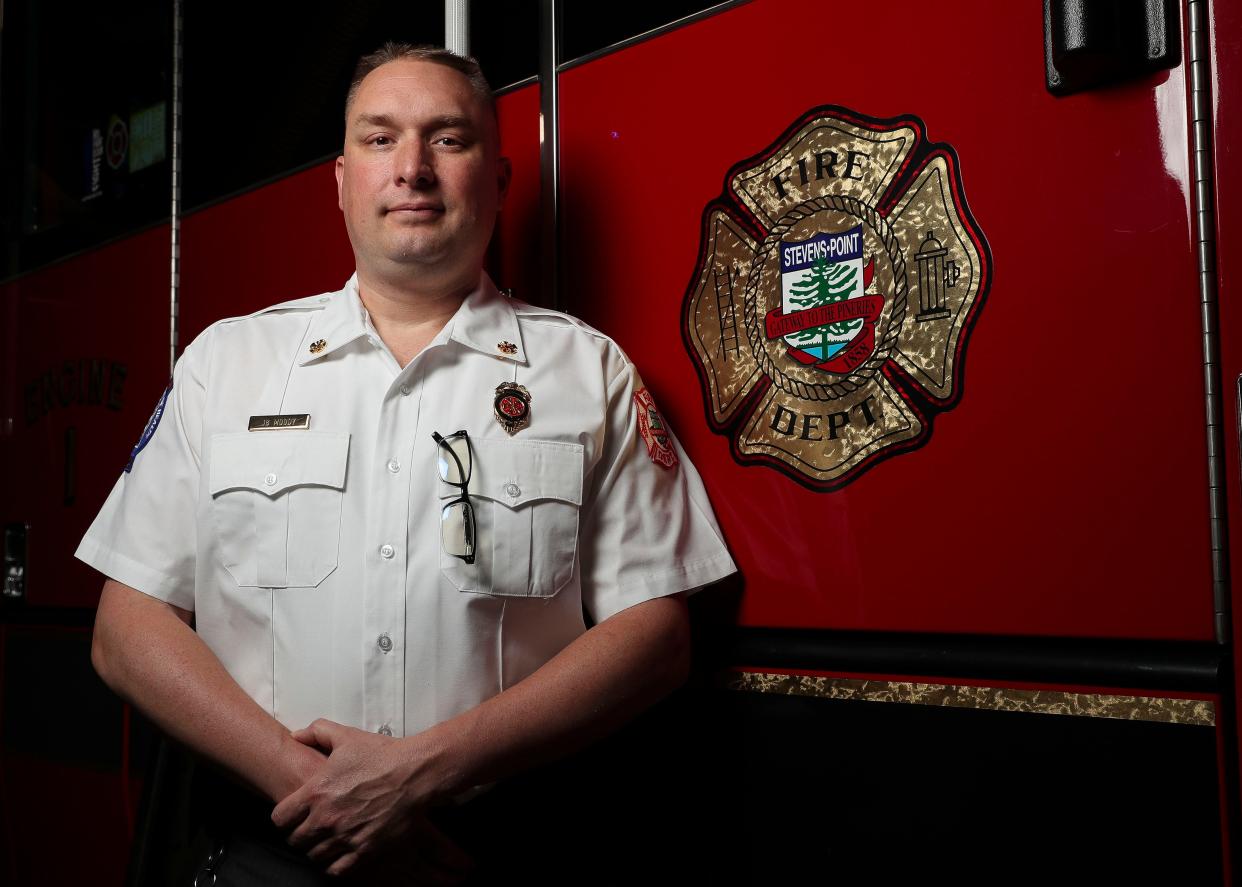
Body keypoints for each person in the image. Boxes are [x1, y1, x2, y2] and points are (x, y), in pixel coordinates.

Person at [79, 42, 735, 884]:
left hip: (484, 854)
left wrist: (420, 772)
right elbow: (125, 629)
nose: (413, 169)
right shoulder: (227, 364)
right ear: (342, 180)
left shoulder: (590, 373)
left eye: (448, 139)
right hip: (266, 851)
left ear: (498, 182)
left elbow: (655, 636)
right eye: (381, 139)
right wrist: (323, 792)